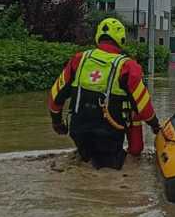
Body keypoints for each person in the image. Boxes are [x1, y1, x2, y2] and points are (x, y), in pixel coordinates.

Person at [48, 18, 161, 170]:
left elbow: (56, 95)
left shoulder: (79, 59)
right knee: (109, 172)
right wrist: (155, 126)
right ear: (121, 39)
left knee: (85, 164)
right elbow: (143, 105)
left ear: (98, 36)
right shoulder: (127, 66)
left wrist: (57, 122)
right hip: (109, 135)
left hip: (78, 132)